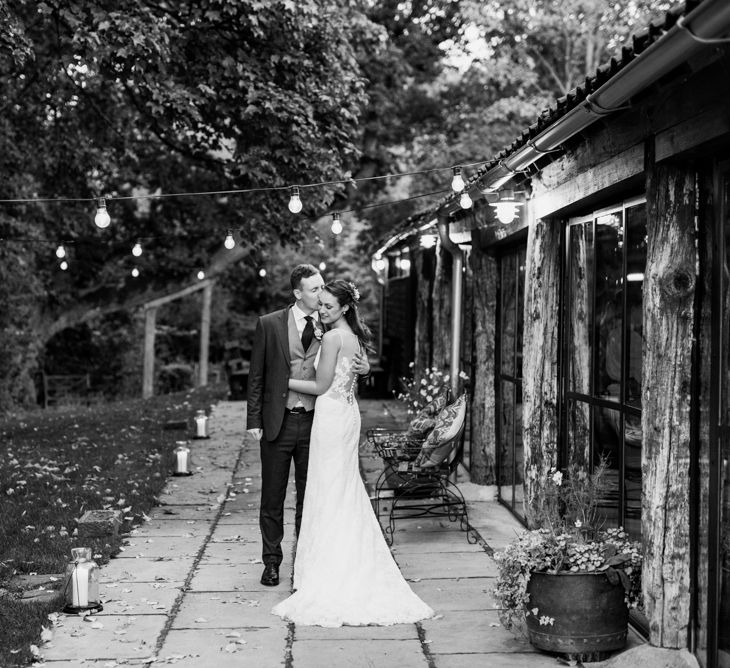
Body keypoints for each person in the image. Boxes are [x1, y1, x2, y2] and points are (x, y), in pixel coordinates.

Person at [271, 279, 434, 627]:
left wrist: (280, 380)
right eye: (321, 304)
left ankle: (329, 571)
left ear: (345, 307)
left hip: (331, 417)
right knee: (341, 490)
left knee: (328, 491)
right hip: (346, 415)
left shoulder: (332, 338)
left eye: (329, 306)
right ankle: (345, 559)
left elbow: (320, 386)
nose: (322, 310)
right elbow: (350, 379)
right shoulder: (353, 337)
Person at [246, 264, 369, 587]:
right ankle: (271, 562)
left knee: (309, 495)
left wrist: (364, 368)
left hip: (316, 422)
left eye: (322, 288)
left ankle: (305, 560)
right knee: (272, 497)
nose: (319, 294)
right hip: (278, 421)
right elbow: (256, 376)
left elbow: (345, 368)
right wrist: (254, 420)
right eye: (313, 289)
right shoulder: (270, 324)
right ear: (297, 293)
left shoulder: (330, 326)